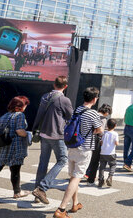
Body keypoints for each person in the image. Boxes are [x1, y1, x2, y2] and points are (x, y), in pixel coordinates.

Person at [52, 86, 103, 218]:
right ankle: (61, 209)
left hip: (72, 145)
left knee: (74, 177)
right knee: (77, 177)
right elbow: (100, 130)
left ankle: (75, 203)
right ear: (94, 99)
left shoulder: (77, 109)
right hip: (84, 148)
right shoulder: (93, 113)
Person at [32, 76, 73, 205]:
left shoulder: (45, 96)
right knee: (62, 160)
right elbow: (70, 116)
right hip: (57, 135)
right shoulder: (64, 100)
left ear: (54, 84)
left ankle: (37, 194)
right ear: (65, 86)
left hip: (43, 133)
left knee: (43, 162)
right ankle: (42, 188)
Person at [85, 103, 112, 184]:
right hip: (96, 140)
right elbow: (101, 131)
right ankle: (91, 179)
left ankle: (84, 173)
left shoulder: (93, 114)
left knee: (87, 158)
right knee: (95, 160)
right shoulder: (103, 118)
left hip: (86, 138)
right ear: (106, 112)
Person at [97, 119, 118, 188]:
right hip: (111, 153)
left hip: (103, 153)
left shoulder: (104, 133)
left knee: (102, 167)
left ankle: (100, 180)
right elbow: (116, 143)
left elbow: (101, 142)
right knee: (113, 165)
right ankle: (110, 177)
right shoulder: (115, 134)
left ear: (107, 125)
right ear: (115, 126)